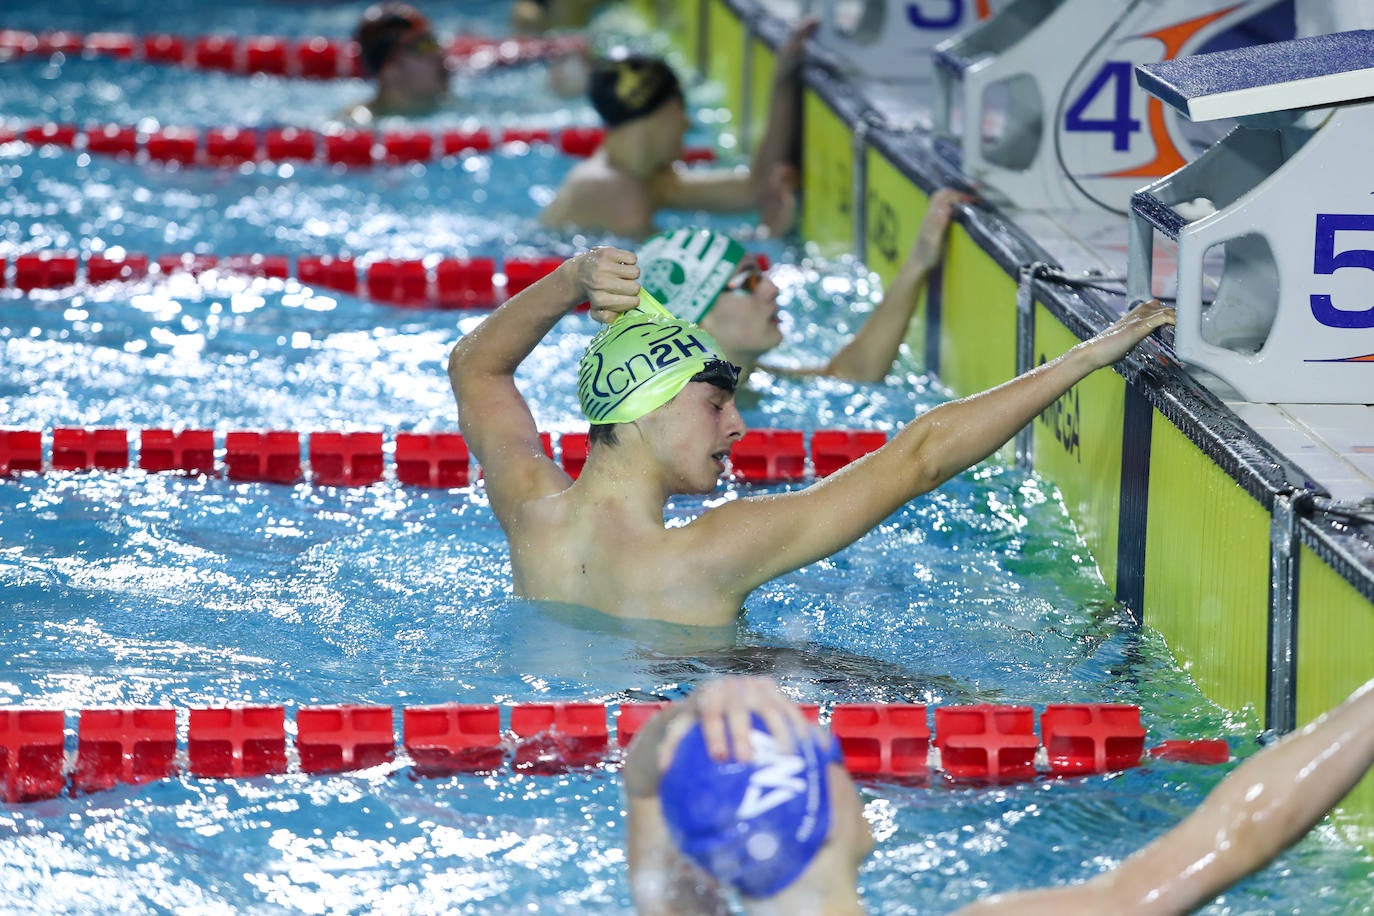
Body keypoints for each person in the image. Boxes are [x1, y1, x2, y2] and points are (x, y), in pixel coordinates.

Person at [446, 244, 1174, 626]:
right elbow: (916, 460)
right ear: (645, 408)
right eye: (714, 403)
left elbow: (478, 370)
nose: (735, 425)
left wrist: (572, 278)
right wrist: (1085, 355)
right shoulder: (708, 552)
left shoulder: (530, 517)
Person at [624, 674, 1374, 913]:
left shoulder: (672, 897)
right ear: (826, 819)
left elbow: (647, 793)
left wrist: (690, 717)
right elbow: (1242, 830)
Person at [637, 188, 971, 386]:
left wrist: (918, 262)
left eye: (762, 275)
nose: (772, 290)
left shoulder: (742, 382)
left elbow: (850, 373)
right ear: (696, 324)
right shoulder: (675, 419)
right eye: (749, 282)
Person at [538, 18, 818, 240]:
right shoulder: (614, 191)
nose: (687, 122)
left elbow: (751, 190)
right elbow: (680, 276)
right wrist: (767, 237)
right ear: (658, 113)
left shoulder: (638, 175)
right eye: (679, 109)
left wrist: (785, 77)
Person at [343, 2, 451, 124]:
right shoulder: (357, 123)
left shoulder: (456, 110)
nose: (438, 54)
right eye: (423, 45)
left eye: (434, 42)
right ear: (389, 68)